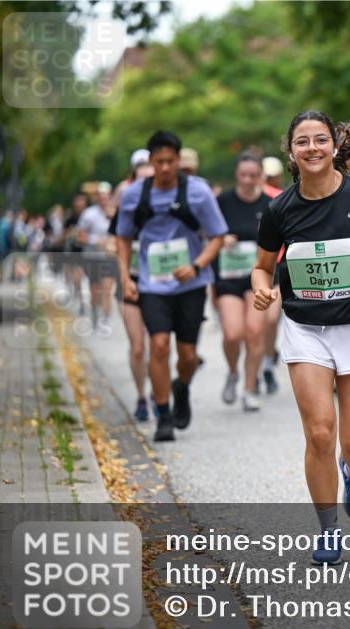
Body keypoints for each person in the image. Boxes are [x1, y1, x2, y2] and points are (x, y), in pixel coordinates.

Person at [252, 110, 350, 564]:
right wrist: (263, 291)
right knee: (320, 432)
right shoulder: (280, 209)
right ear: (291, 152)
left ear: (334, 147)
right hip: (307, 329)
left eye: (320, 140)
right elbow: (262, 268)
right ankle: (327, 530)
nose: (313, 148)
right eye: (303, 142)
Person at [116, 130, 228, 442]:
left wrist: (196, 265)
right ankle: (163, 414)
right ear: (150, 161)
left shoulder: (198, 192)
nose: (165, 167)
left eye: (170, 161)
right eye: (159, 161)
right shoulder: (134, 195)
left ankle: (182, 387)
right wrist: (125, 277)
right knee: (160, 346)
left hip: (191, 284)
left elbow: (217, 235)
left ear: (178, 161)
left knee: (188, 355)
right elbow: (122, 238)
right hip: (152, 285)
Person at [215, 152, 272, 411]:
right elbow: (207, 233)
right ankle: (232, 372)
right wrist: (221, 238)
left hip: (257, 276)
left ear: (260, 176)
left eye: (253, 175)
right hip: (228, 277)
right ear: (237, 175)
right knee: (232, 332)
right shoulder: (223, 201)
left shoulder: (270, 204)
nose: (248, 180)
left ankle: (249, 389)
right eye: (243, 175)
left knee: (255, 332)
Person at [110, 149, 156, 421]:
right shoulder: (125, 208)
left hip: (158, 285)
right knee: (138, 346)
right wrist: (124, 277)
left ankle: (158, 389)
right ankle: (141, 396)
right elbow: (115, 245)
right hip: (129, 283)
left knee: (159, 344)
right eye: (139, 183)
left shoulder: (166, 208)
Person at [259, 155, 286, 393]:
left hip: (276, 268)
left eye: (271, 177)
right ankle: (258, 365)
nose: (270, 180)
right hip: (249, 268)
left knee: (269, 319)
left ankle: (267, 361)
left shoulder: (281, 200)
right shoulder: (270, 198)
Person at [77, 182, 118, 331]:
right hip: (92, 257)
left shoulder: (115, 212)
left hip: (108, 258)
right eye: (100, 196)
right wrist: (97, 241)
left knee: (106, 290)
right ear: (96, 198)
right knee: (95, 291)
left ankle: (106, 320)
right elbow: (79, 236)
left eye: (106, 196)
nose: (103, 199)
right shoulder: (89, 214)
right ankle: (95, 313)